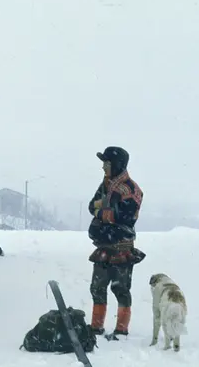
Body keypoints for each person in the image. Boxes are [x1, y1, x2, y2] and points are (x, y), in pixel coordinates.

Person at [87, 146, 146, 341]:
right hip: (104, 245)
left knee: (120, 288)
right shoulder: (105, 185)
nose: (103, 167)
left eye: (107, 163)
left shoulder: (132, 190)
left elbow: (125, 218)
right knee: (97, 287)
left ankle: (121, 330)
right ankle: (96, 326)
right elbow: (92, 205)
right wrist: (107, 215)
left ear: (117, 165)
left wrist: (103, 215)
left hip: (121, 247)